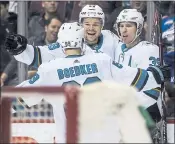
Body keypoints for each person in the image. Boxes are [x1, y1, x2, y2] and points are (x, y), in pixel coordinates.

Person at [16, 22, 166, 143]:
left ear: (61, 44)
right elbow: (137, 79)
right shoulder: (101, 60)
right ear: (82, 41)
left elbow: (21, 98)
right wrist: (157, 75)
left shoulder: (48, 69)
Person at [5, 5, 119, 69]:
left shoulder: (111, 39)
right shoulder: (71, 39)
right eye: (87, 24)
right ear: (80, 24)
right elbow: (44, 53)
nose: (91, 28)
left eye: (96, 24)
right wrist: (22, 50)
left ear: (102, 26)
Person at [113, 9, 161, 121]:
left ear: (138, 28)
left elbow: (153, 89)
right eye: (121, 26)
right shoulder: (118, 48)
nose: (123, 30)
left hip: (145, 110)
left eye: (129, 26)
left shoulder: (149, 50)